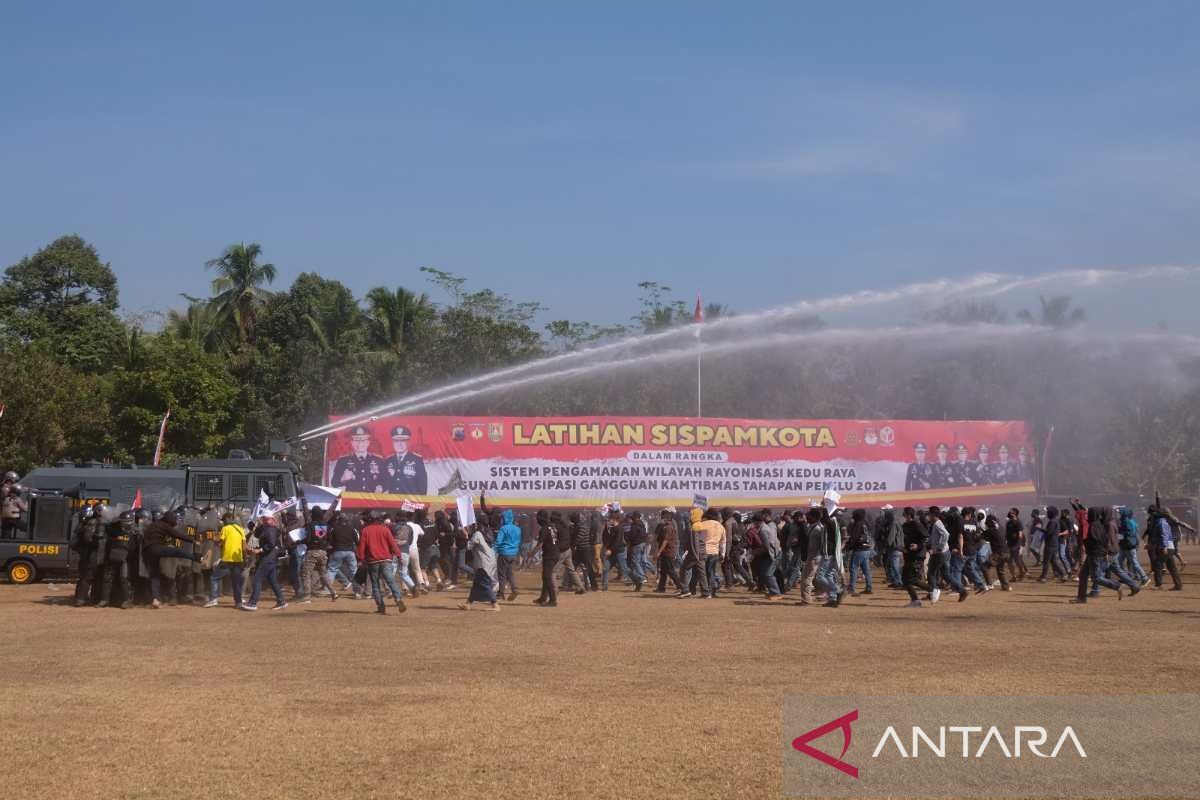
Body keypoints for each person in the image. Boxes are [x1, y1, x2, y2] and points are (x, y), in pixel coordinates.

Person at [142, 511, 200, 609]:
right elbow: (178, 535)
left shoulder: (152, 525)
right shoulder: (165, 526)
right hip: (158, 548)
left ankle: (156, 599)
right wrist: (193, 540)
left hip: (147, 551)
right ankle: (199, 558)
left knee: (155, 575)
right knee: (179, 552)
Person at [357, 511, 407, 615]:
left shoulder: (365, 530)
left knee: (375, 585)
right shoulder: (385, 529)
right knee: (391, 581)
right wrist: (398, 555)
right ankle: (398, 599)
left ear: (369, 519)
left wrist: (361, 559)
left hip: (372, 561)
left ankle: (381, 607)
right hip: (386, 560)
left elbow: (361, 547)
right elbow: (393, 544)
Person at [1072, 507, 1125, 603]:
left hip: (1095, 554)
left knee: (1096, 577)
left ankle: (1116, 585)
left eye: (1089, 514)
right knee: (1083, 575)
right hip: (1092, 553)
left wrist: (1084, 543)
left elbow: (1096, 541)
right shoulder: (1098, 524)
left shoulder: (1093, 526)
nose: (1087, 515)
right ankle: (1081, 598)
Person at [246, 515, 288, 611]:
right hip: (271, 557)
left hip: (268, 558)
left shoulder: (270, 529)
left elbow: (271, 544)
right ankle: (281, 601)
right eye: (264, 518)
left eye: (266, 518)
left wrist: (260, 550)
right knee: (272, 580)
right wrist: (254, 525)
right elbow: (257, 534)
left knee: (257, 578)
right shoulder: (268, 528)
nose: (264, 520)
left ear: (272, 519)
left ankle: (253, 602)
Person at [206, 511, 247, 608]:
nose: (223, 522)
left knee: (214, 578)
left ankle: (213, 599)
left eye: (224, 520)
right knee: (236, 581)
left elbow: (220, 543)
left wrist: (215, 540)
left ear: (228, 519)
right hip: (238, 559)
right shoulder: (241, 529)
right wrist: (244, 558)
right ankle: (238, 602)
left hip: (227, 559)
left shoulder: (225, 529)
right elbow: (244, 547)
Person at [329, 425, 386, 493]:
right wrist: (343, 478)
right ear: (352, 443)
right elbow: (334, 483)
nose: (360, 443)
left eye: (363, 440)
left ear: (368, 442)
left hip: (373, 501)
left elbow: (387, 481)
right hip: (352, 500)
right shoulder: (343, 461)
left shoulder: (378, 461)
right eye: (356, 440)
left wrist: (382, 487)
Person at [298, 507, 337, 602]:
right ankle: (333, 592)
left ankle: (307, 596)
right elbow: (330, 539)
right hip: (323, 552)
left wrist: (299, 541)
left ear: (313, 514)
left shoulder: (310, 525)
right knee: (323, 574)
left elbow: (308, 539)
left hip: (312, 552)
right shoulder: (327, 525)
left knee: (306, 573)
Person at [325, 512, 364, 599]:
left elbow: (330, 541)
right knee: (354, 571)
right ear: (347, 520)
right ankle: (357, 593)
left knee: (332, 570)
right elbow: (358, 541)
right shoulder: (352, 528)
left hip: (337, 551)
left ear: (338, 520)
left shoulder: (334, 528)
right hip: (350, 552)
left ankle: (328, 590)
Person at [383, 425, 428, 495]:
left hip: (409, 503)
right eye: (396, 441)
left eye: (403, 441)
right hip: (391, 502)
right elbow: (384, 483)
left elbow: (422, 488)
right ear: (393, 443)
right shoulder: (388, 460)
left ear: (408, 442)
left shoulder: (417, 460)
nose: (399, 444)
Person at [1146, 506, 1183, 591]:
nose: (1152, 515)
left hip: (1165, 547)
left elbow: (1164, 536)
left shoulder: (1161, 523)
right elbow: (1158, 536)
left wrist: (1164, 546)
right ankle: (1178, 585)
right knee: (1171, 567)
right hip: (1168, 546)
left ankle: (1158, 585)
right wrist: (1151, 544)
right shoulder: (1160, 522)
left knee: (1157, 564)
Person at [652, 508, 686, 594]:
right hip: (665, 551)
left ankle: (682, 587)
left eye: (665, 515)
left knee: (671, 570)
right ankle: (661, 588)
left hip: (668, 551)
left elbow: (665, 541)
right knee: (663, 570)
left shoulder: (669, 527)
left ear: (670, 516)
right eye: (663, 515)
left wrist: (658, 552)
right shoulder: (664, 526)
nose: (663, 517)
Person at [900, 507, 928, 607]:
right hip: (908, 555)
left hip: (917, 555)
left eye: (905, 514)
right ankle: (915, 601)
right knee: (905, 579)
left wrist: (917, 546)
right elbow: (905, 540)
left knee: (911, 579)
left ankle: (932, 589)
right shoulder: (904, 526)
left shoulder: (917, 524)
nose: (903, 516)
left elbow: (926, 538)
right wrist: (903, 548)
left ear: (909, 515)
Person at [532, 510, 561, 607]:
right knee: (545, 576)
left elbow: (540, 544)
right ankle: (543, 598)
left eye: (538, 517)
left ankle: (553, 600)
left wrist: (531, 553)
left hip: (550, 555)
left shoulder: (544, 529)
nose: (537, 519)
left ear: (541, 518)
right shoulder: (552, 526)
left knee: (547, 577)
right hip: (554, 553)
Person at [844, 508, 874, 596]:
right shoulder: (866, 524)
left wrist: (847, 546)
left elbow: (854, 538)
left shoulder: (858, 524)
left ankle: (852, 588)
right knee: (866, 569)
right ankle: (869, 587)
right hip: (867, 549)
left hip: (859, 550)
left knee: (853, 568)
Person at [1116, 507, 1148, 585]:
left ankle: (1144, 578)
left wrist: (1120, 535)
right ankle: (1127, 577)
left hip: (1129, 545)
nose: (1118, 514)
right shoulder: (1123, 521)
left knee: (1134, 562)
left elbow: (1130, 533)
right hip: (1124, 545)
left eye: (1119, 513)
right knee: (1119, 561)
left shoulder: (1127, 522)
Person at [1005, 508, 1027, 582]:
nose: (1009, 512)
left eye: (1011, 512)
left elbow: (1020, 534)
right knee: (1009, 561)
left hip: (1016, 544)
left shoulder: (1018, 522)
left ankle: (1021, 573)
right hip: (1009, 544)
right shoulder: (1008, 523)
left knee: (1016, 560)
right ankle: (1013, 576)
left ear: (1015, 513)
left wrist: (1020, 545)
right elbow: (1007, 534)